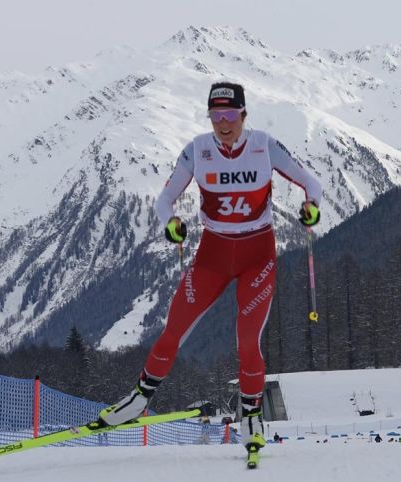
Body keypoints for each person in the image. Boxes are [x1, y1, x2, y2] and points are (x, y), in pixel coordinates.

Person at [98, 82, 323, 461]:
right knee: (173, 330)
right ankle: (138, 401)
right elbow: (165, 200)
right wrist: (170, 223)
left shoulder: (264, 145)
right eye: (216, 115)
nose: (223, 123)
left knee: (247, 342)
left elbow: (311, 183)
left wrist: (311, 207)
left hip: (257, 255)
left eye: (230, 115)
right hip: (212, 255)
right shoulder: (197, 150)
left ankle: (251, 417)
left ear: (243, 115)